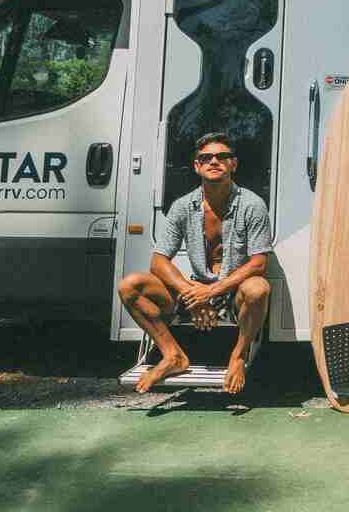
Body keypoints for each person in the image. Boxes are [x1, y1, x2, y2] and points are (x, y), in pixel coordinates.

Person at [117, 132, 273, 394]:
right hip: (195, 289)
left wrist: (211, 291)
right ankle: (172, 355)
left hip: (233, 291)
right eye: (206, 157)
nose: (214, 161)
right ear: (197, 166)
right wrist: (192, 294)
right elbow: (158, 260)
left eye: (222, 156)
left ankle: (238, 356)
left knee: (258, 288)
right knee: (130, 285)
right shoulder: (182, 206)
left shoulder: (252, 204)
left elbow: (259, 263)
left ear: (233, 164)